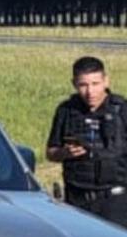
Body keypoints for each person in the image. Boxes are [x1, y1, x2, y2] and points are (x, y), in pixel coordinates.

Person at [47, 56, 127, 226]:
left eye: (95, 84)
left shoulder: (122, 111)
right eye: (83, 85)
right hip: (77, 201)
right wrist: (64, 153)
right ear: (74, 84)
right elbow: (51, 152)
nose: (90, 92)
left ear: (106, 81)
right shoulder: (66, 111)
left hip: (116, 202)